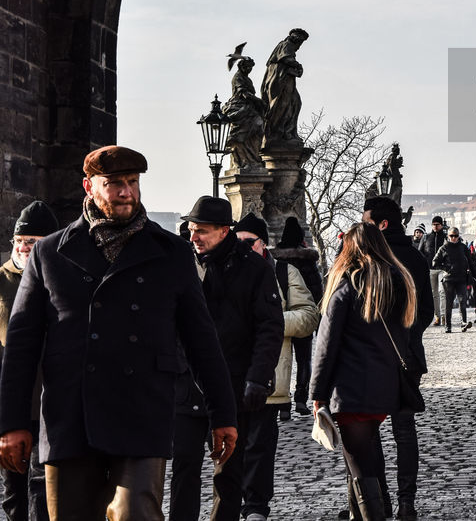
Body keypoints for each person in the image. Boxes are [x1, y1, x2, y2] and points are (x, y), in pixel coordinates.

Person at [0, 146, 238, 520]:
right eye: (114, 184)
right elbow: (21, 346)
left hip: (143, 410)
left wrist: (223, 412)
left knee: (136, 513)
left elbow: (201, 340)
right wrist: (12, 423)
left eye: (132, 182)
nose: (126, 192)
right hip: (70, 415)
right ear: (89, 186)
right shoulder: (50, 253)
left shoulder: (171, 252)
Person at [184, 196, 286, 521]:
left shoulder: (255, 268)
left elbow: (270, 327)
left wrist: (258, 377)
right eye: (191, 230)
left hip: (232, 383)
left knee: (228, 473)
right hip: (185, 385)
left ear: (224, 230)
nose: (193, 237)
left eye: (201, 231)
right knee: (184, 470)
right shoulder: (182, 264)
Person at [311, 223, 418, 521]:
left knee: (360, 465)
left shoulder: (348, 286)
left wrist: (317, 394)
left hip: (351, 391)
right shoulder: (399, 283)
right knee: (363, 456)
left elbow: (326, 345)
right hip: (385, 387)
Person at [234, 213, 319, 521]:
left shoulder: (284, 271)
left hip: (269, 376)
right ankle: (232, 501)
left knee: (258, 445)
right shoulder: (222, 269)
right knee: (231, 444)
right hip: (228, 375)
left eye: (249, 242)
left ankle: (256, 507)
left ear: (263, 244)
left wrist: (270, 323)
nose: (242, 247)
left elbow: (309, 316)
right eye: (237, 241)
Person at [363, 195, 432, 521]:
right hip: (408, 355)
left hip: (371, 358)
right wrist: (410, 334)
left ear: (382, 224)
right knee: (404, 431)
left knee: (368, 432)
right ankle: (407, 503)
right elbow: (428, 312)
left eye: (366, 223)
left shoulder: (369, 258)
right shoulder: (416, 258)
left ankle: (378, 502)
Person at [0, 202, 58, 521]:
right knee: (12, 488)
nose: (24, 247)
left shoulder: (59, 282)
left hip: (48, 400)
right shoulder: (1, 280)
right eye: (20, 240)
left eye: (33, 242)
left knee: (40, 483)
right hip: (10, 402)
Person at [273, 216, 324, 418]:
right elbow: (317, 291)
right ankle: (301, 399)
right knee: (304, 360)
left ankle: (283, 404)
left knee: (280, 359)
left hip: (282, 315)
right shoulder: (308, 260)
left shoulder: (277, 262)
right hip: (302, 315)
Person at [432, 228, 473, 333]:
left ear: (458, 236)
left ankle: (463, 323)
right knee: (448, 303)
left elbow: (471, 262)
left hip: (461, 278)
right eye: (451, 236)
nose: (454, 238)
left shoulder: (463, 247)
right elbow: (434, 262)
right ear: (448, 236)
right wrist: (446, 268)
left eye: (456, 236)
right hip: (448, 279)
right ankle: (448, 325)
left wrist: (474, 275)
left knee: (462, 301)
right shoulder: (444, 248)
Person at [417, 217, 448, 327]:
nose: (435, 226)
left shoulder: (445, 237)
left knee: (442, 292)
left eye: (437, 224)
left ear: (441, 225)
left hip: (442, 269)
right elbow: (420, 253)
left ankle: (444, 316)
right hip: (430, 269)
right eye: (434, 224)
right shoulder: (426, 237)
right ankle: (437, 317)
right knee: (434, 294)